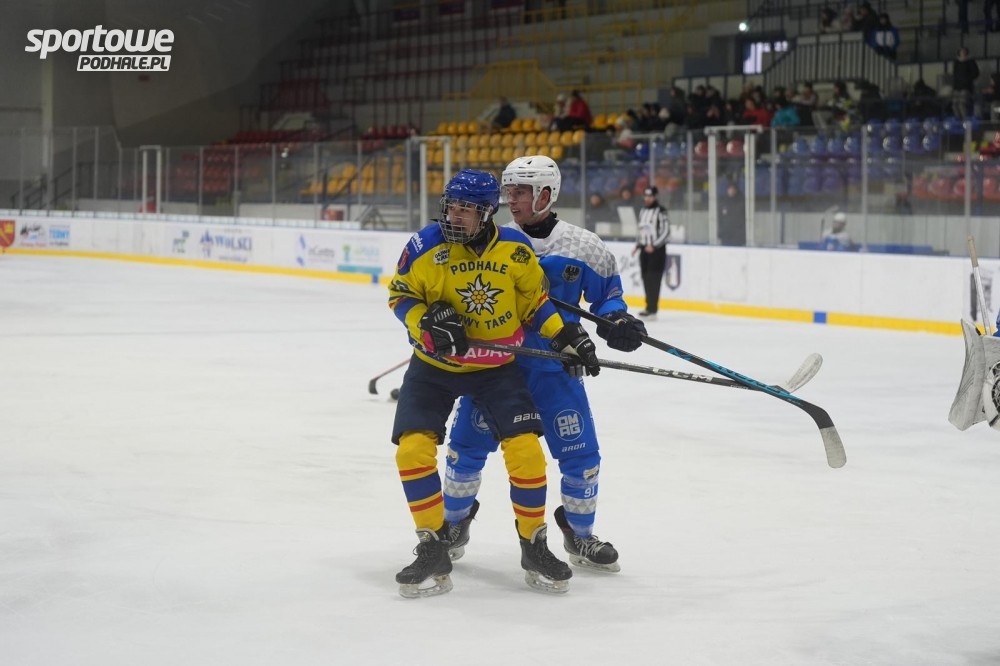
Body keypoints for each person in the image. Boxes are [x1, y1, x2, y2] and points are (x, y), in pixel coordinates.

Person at [387, 168, 601, 597]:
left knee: (527, 454)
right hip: (435, 366)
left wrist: (566, 336)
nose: (455, 215)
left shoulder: (516, 252)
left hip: (495, 368)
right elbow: (400, 296)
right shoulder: (424, 247)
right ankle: (432, 546)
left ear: (487, 213)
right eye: (452, 206)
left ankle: (534, 544)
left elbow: (536, 305)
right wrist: (425, 321)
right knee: (412, 450)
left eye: (467, 209)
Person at [443, 155, 646, 574]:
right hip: (497, 369)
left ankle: (580, 533)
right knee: (465, 450)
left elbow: (608, 297)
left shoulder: (584, 246)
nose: (511, 200)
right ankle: (453, 524)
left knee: (582, 459)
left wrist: (618, 322)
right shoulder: (493, 239)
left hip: (558, 370)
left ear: (546, 194)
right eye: (509, 192)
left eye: (520, 192)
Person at [632, 186, 670, 318]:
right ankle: (648, 307)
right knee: (645, 278)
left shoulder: (661, 211)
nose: (647, 198)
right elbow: (641, 230)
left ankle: (653, 309)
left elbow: (666, 231)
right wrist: (638, 245)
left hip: (657, 251)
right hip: (644, 249)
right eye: (646, 196)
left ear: (655, 197)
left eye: (650, 196)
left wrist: (654, 245)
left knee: (654, 278)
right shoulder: (643, 210)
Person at [952, 47, 980, 121]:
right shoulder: (956, 62)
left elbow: (976, 73)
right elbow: (955, 74)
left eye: (964, 52)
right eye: (961, 52)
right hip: (957, 87)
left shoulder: (970, 61)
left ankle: (965, 121)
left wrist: (967, 79)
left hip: (966, 87)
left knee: (962, 104)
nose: (962, 54)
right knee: (954, 105)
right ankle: (958, 120)